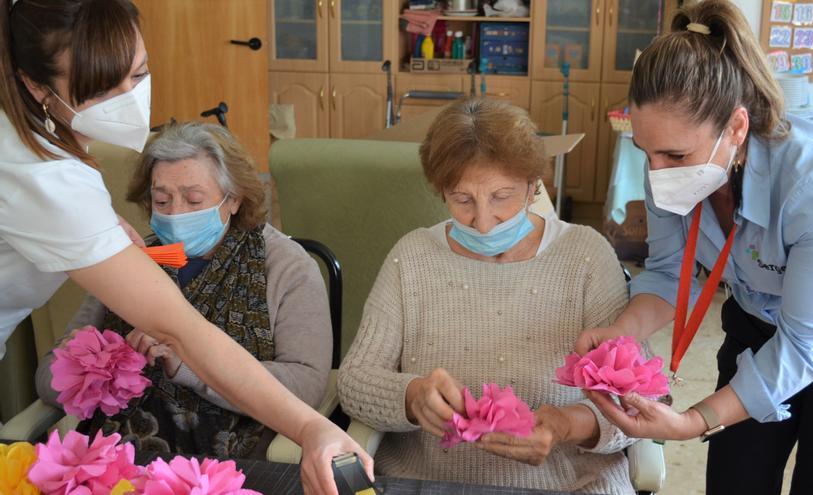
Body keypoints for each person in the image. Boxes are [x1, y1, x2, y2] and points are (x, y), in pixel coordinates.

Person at [0, 1, 369, 491]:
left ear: (234, 198)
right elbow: (175, 328)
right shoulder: (48, 181)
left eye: (139, 73)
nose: (128, 98)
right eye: (100, 87)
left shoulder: (281, 263)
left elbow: (302, 379)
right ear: (35, 86)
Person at [574, 1, 813, 494]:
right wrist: (621, 333)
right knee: (736, 479)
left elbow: (805, 346)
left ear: (736, 129)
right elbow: (671, 273)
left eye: (675, 154)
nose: (657, 174)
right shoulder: (671, 174)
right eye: (645, 152)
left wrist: (695, 421)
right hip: (759, 315)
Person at [338, 99, 639, 495]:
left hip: (570, 483)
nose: (482, 221)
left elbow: (640, 401)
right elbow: (354, 383)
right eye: (462, 199)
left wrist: (567, 426)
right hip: (428, 482)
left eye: (501, 196)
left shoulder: (585, 255)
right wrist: (411, 397)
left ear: (534, 187)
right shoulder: (411, 257)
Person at [35, 122, 333, 459]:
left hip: (229, 466)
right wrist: (101, 364)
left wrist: (186, 363)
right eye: (162, 201)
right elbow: (48, 378)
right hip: (115, 460)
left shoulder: (285, 267)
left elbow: (306, 387)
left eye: (193, 200)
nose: (176, 214)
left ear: (233, 199)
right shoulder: (129, 261)